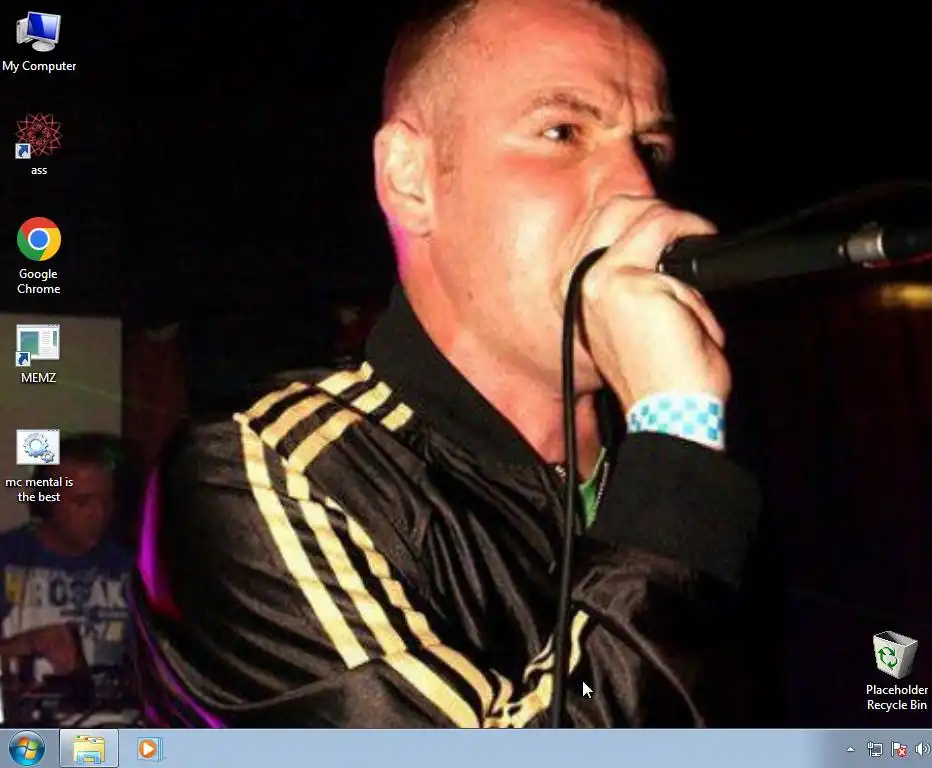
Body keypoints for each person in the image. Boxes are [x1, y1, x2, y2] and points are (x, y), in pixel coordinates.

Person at [132, 0, 761, 727]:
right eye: (562, 131)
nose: (636, 188)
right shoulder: (266, 470)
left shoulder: (693, 453)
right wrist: (677, 440)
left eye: (649, 147)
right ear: (410, 178)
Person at [0, 434, 133, 688]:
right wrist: (25, 644)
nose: (99, 513)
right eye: (82, 502)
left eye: (107, 501)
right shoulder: (8, 558)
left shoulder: (129, 569)